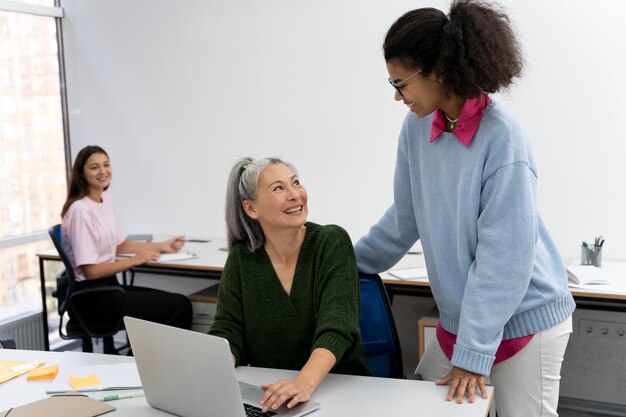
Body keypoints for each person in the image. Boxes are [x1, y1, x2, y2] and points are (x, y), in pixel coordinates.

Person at [354, 1, 575, 416]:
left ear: (438, 70)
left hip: (526, 317)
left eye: (400, 82)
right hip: (464, 319)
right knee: (418, 406)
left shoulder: (503, 136)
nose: (396, 96)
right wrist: (344, 261)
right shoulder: (417, 127)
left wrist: (473, 354)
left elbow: (504, 259)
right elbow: (405, 217)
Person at [209, 157, 371, 413]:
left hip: (341, 391)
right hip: (273, 395)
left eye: (296, 183)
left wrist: (302, 383)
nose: (295, 194)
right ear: (251, 209)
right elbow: (229, 329)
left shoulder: (331, 242)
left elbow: (338, 326)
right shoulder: (242, 258)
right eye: (279, 188)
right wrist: (215, 369)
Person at [60, 145, 193, 352]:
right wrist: (135, 259)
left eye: (106, 165)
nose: (103, 171)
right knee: (179, 306)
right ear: (82, 174)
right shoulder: (80, 211)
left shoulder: (106, 201)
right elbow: (91, 270)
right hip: (92, 298)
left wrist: (162, 246)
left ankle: (141, 362)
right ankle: (145, 367)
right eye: (95, 167)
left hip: (110, 289)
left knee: (176, 304)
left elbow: (119, 244)